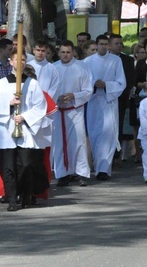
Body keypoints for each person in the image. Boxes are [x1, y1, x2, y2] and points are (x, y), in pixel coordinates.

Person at [0, 49, 47, 211]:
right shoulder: (0, 84)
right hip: (6, 130)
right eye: (16, 59)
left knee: (26, 164)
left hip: (26, 130)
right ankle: (12, 199)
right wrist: (9, 104)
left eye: (23, 60)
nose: (19, 62)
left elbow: (40, 106)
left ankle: (25, 193)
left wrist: (25, 117)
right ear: (11, 62)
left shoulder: (32, 84)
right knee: (8, 167)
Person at [83, 34, 126, 180]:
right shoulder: (87, 61)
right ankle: (97, 164)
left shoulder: (116, 60)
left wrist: (107, 85)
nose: (103, 47)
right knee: (95, 134)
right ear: (96, 44)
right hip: (93, 100)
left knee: (108, 134)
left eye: (105, 44)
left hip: (109, 101)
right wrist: (94, 84)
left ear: (108, 45)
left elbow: (121, 82)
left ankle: (104, 169)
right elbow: (83, 82)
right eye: (100, 44)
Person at [52, 41, 93, 187]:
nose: (65, 55)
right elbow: (48, 90)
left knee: (78, 141)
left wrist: (74, 95)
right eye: (62, 52)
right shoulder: (54, 68)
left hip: (75, 110)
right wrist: (56, 98)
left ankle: (81, 173)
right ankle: (62, 174)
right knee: (59, 143)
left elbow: (88, 90)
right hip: (58, 111)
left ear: (72, 52)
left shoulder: (82, 67)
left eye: (68, 52)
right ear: (59, 53)